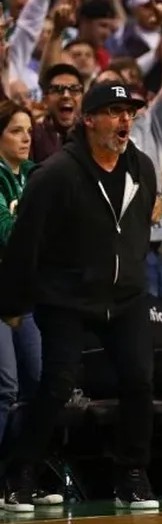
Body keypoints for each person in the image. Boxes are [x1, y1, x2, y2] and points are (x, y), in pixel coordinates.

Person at [0, 82, 158, 512]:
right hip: (66, 297)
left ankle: (132, 475)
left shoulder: (141, 167)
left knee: (139, 380)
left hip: (124, 297)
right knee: (56, 385)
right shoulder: (55, 174)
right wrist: (12, 304)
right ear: (88, 119)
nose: (123, 120)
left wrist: (132, 274)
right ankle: (20, 473)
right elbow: (25, 243)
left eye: (129, 112)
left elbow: (139, 228)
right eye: (112, 111)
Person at [0, 102, 41, 466]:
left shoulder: (37, 174)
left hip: (30, 296)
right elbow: (7, 232)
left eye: (28, 129)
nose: (26, 137)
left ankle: (22, 477)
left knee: (41, 385)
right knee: (5, 386)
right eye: (15, 130)